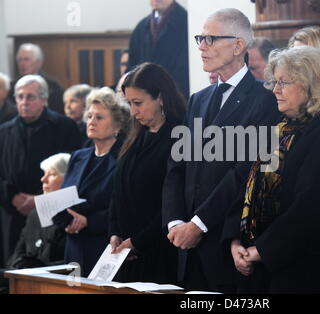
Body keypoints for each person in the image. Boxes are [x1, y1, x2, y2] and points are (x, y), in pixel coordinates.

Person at [223, 46, 320, 293]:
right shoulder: (280, 128)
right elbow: (247, 187)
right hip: (260, 267)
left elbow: (313, 209)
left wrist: (262, 250)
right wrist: (235, 240)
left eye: (284, 82)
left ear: (313, 86)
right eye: (275, 82)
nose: (275, 90)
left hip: (312, 271)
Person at [162, 8, 280, 293]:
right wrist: (176, 222)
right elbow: (177, 168)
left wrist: (198, 225)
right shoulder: (198, 100)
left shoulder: (265, 101)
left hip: (226, 247)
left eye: (210, 39)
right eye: (200, 38)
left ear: (238, 45)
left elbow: (245, 174)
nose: (201, 46)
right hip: (185, 249)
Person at [109, 62, 185, 283]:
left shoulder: (179, 136)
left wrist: (138, 242)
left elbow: (174, 201)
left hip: (160, 251)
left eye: (138, 103)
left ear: (160, 97)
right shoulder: (136, 136)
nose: (133, 112)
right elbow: (118, 190)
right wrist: (114, 233)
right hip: (125, 251)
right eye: (130, 103)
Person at [0, 75, 81, 267]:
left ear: (44, 99)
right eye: (20, 97)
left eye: (30, 97)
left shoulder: (64, 127)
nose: (24, 102)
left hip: (53, 212)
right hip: (12, 211)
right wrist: (11, 196)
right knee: (14, 265)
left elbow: (73, 170)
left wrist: (38, 200)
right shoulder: (3, 132)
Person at [52, 87, 130, 277]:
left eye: (99, 117)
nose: (91, 122)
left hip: (104, 245)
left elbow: (124, 207)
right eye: (89, 116)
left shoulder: (125, 159)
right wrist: (65, 219)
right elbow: (63, 198)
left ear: (118, 126)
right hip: (74, 247)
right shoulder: (78, 157)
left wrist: (89, 221)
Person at [7, 153, 70, 270]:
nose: (43, 179)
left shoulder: (77, 216)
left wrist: (37, 268)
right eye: (43, 174)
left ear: (69, 178)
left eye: (52, 174)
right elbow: (17, 255)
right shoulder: (34, 215)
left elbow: (75, 262)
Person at [127, 0, 189, 99]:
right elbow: (132, 65)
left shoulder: (187, 23)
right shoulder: (141, 27)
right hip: (145, 98)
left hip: (176, 98)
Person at [8, 43, 65, 114]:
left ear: (38, 63)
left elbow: (59, 109)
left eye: (26, 59)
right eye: (20, 60)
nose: (22, 64)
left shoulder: (52, 85)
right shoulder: (12, 85)